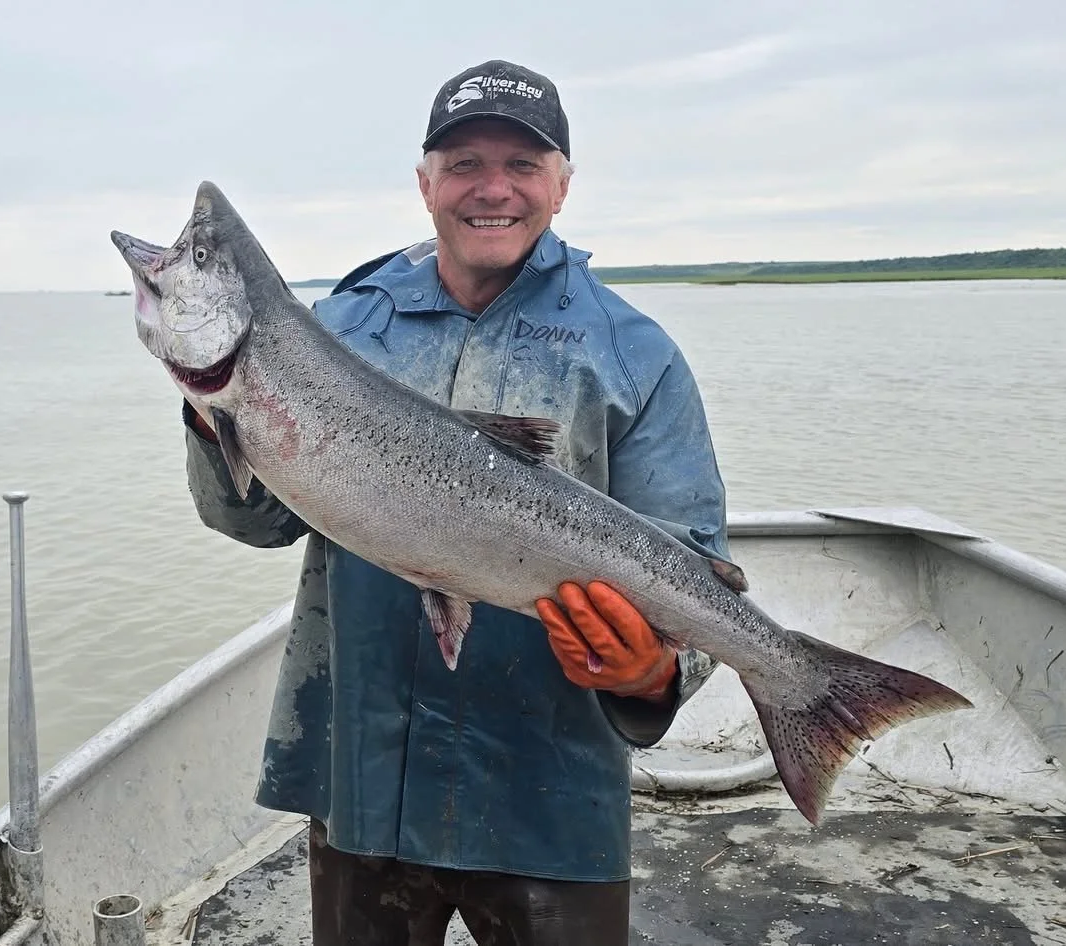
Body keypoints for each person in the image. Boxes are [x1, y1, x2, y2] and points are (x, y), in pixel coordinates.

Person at [179, 59, 736, 945]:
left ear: (562, 183)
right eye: (466, 162)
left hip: (547, 795)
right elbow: (257, 520)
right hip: (361, 775)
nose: (493, 189)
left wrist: (653, 676)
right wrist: (218, 411)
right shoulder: (338, 328)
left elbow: (690, 561)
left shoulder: (637, 356)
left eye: (522, 164)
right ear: (425, 181)